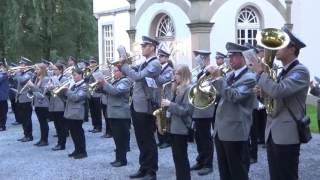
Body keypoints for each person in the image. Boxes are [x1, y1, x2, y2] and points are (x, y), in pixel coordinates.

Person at [251, 27, 310, 180]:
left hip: (287, 136)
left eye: (281, 44)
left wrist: (260, 73)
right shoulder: (282, 71)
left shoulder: (300, 71)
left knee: (286, 176)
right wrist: (261, 95)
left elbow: (278, 91)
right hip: (273, 133)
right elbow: (274, 102)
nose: (275, 48)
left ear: (292, 49)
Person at [207, 42, 256, 180]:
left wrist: (217, 78)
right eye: (229, 56)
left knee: (238, 172)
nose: (229, 59)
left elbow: (234, 96)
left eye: (233, 56)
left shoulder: (250, 78)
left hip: (236, 132)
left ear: (243, 57)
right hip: (221, 131)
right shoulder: (229, 75)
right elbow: (220, 95)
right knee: (225, 172)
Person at [118, 36, 161, 180]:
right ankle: (143, 167)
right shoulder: (145, 62)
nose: (142, 48)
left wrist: (124, 66)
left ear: (153, 47)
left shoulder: (154, 64)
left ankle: (151, 171)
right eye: (142, 45)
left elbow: (137, 76)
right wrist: (123, 64)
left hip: (146, 106)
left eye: (145, 45)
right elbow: (132, 71)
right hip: (137, 105)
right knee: (141, 139)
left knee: (148, 140)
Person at [98, 66, 132, 167]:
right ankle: (118, 158)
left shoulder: (125, 81)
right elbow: (110, 91)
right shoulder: (115, 81)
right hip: (114, 113)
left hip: (120, 114)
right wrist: (100, 87)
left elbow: (116, 92)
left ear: (122, 72)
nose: (114, 73)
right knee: (117, 138)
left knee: (121, 138)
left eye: (116, 71)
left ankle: (122, 160)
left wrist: (104, 83)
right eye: (114, 71)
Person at [190, 50, 214, 176]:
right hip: (197, 107)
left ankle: (208, 164)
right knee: (198, 137)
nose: (197, 60)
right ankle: (200, 159)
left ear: (205, 58)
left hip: (205, 109)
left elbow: (207, 88)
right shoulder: (200, 71)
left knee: (205, 137)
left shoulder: (210, 70)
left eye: (199, 58)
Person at [62, 68, 88, 159]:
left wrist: (66, 90)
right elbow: (67, 98)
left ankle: (82, 151)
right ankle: (77, 149)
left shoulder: (84, 86)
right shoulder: (74, 85)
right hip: (70, 112)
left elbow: (76, 97)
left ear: (81, 75)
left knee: (78, 132)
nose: (74, 77)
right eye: (73, 75)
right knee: (73, 133)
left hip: (77, 112)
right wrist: (60, 92)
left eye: (75, 75)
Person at [27, 63, 51, 146]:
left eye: (37, 69)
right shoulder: (37, 78)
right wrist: (30, 89)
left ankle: (45, 140)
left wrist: (32, 85)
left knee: (44, 122)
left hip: (44, 103)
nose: (35, 71)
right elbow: (35, 90)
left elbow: (42, 93)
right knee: (41, 122)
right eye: (36, 69)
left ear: (42, 70)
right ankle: (42, 139)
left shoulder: (46, 79)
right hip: (37, 103)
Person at [155, 48, 173, 149]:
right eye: (159, 56)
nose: (159, 58)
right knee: (159, 119)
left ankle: (167, 140)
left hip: (166, 96)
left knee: (165, 119)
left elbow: (162, 80)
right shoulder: (160, 69)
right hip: (159, 96)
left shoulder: (170, 70)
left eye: (161, 56)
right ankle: (161, 139)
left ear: (166, 58)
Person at [49, 63, 69, 151]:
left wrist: (55, 86)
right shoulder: (53, 78)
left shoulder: (64, 78)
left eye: (55, 69)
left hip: (61, 104)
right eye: (53, 70)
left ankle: (62, 144)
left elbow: (65, 90)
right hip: (54, 103)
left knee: (61, 125)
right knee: (57, 125)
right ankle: (59, 142)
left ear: (60, 70)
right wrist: (49, 87)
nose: (54, 71)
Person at [14, 57, 34, 142]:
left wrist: (18, 73)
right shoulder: (21, 73)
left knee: (27, 118)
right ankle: (25, 134)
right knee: (23, 118)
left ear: (26, 65)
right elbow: (14, 80)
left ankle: (29, 135)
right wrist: (12, 74)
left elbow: (22, 81)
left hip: (26, 99)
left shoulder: (29, 73)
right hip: (20, 98)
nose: (19, 66)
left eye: (21, 64)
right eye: (20, 64)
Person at [88, 58, 103, 133]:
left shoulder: (99, 72)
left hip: (97, 94)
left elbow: (100, 83)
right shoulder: (89, 72)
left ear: (96, 64)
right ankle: (94, 126)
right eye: (90, 63)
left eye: (93, 63)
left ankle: (99, 127)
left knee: (97, 111)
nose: (91, 64)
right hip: (91, 94)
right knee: (92, 111)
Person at [0, 61, 9, 131]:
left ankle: (2, 126)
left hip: (2, 96)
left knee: (3, 112)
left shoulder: (4, 74)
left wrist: (3, 72)